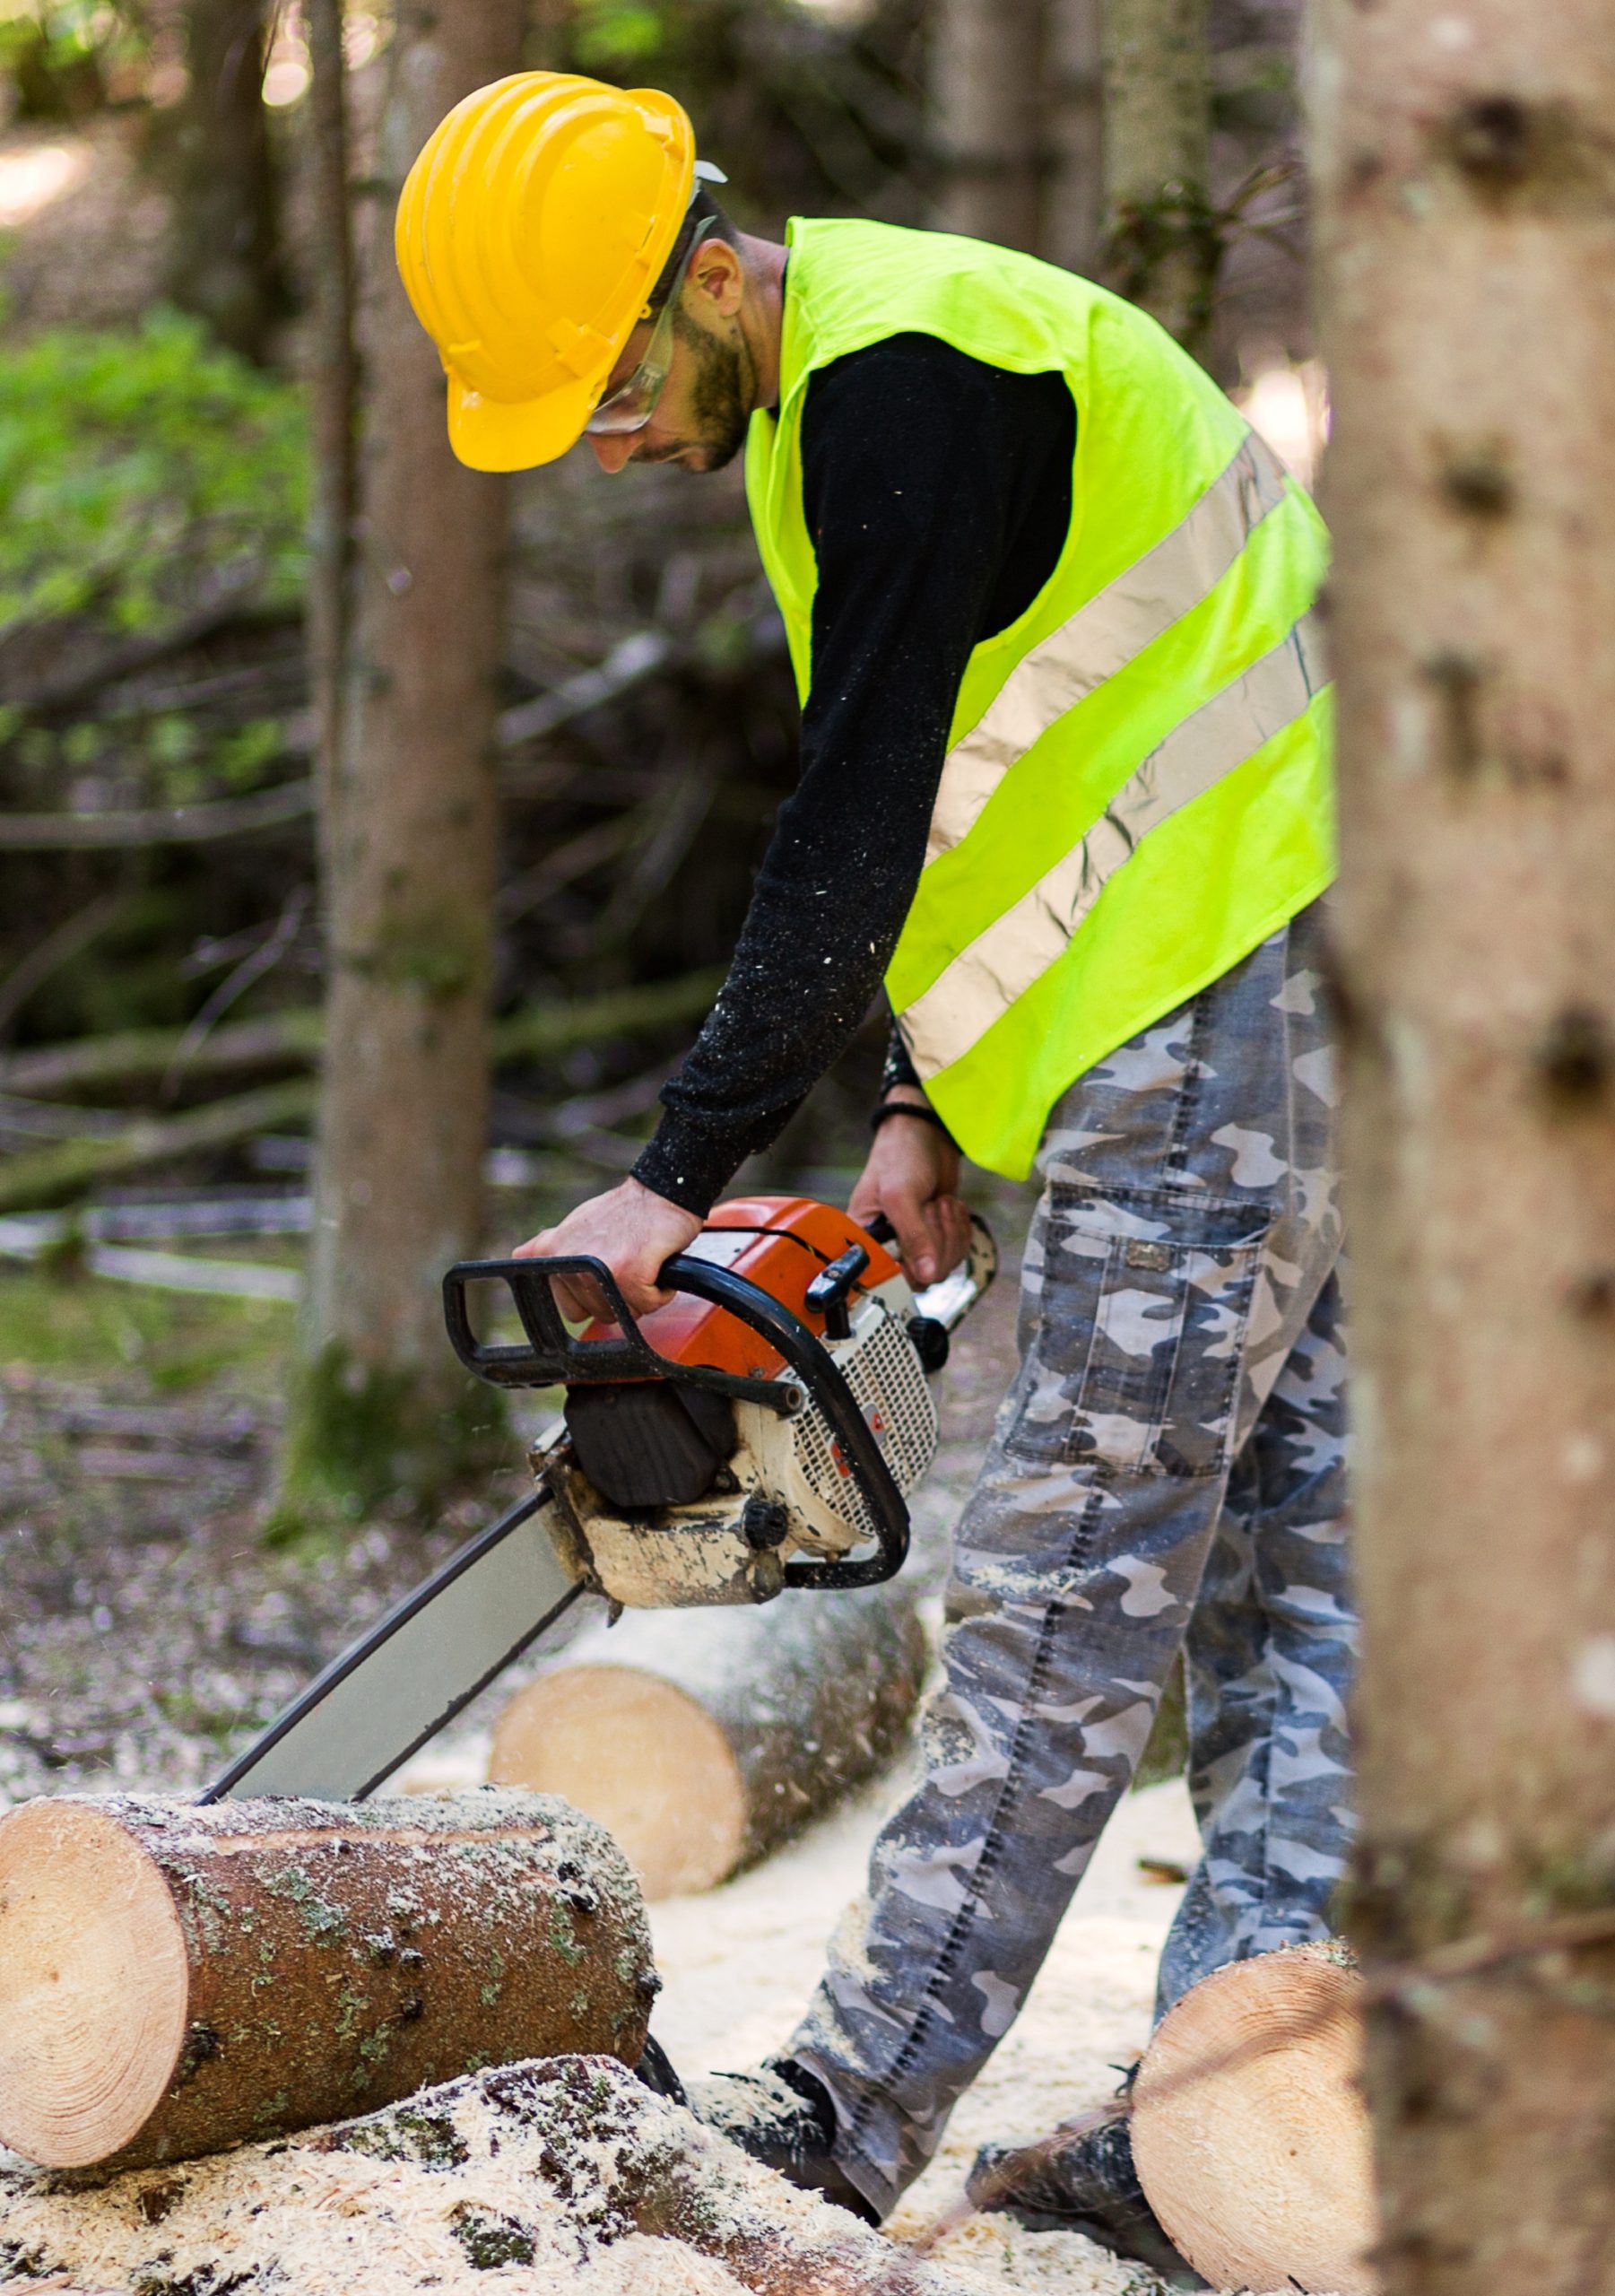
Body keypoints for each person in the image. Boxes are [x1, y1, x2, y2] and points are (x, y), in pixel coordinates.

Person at [396, 72, 1353, 2269]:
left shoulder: (907, 376)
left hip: (1219, 986)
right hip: (1272, 974)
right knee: (1293, 1571)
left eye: (614, 383)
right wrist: (921, 1097)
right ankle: (1246, 2100)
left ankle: (830, 2117)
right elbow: (954, 796)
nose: (608, 437)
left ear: (708, 275)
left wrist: (672, 1173)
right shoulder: (858, 393)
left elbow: (839, 832)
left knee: (1059, 1583)